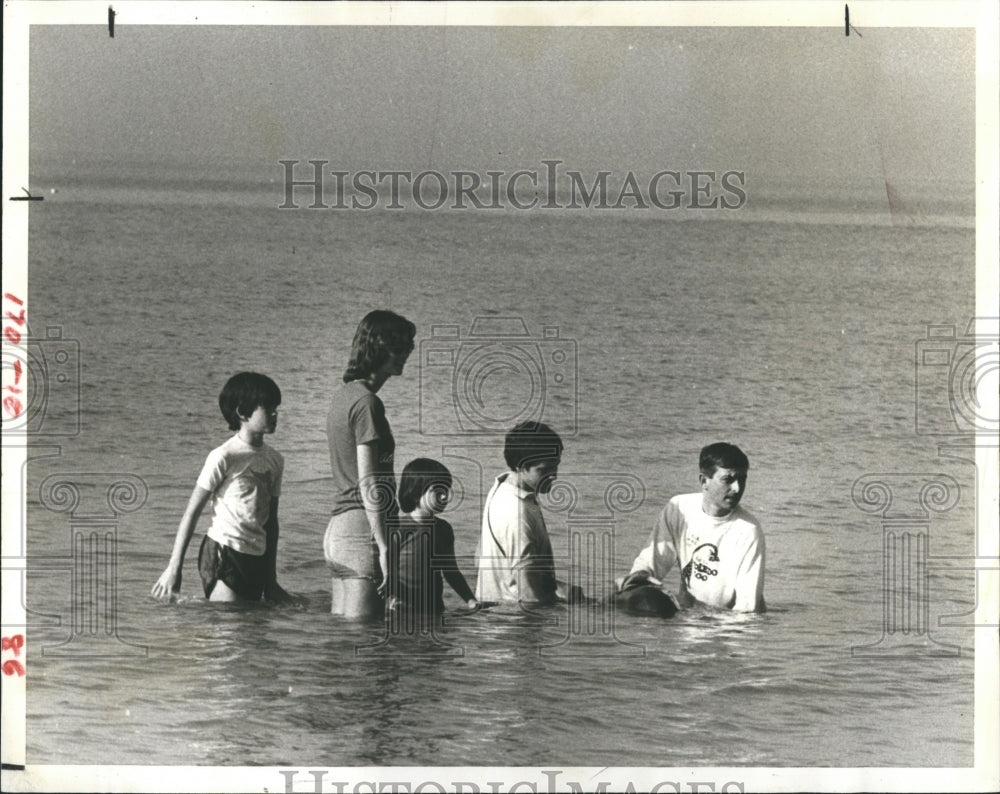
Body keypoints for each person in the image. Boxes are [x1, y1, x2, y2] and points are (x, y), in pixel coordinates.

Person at [152, 372, 291, 603]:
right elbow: (192, 513)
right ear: (242, 412)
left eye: (276, 407)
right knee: (227, 620)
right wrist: (173, 569)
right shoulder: (224, 456)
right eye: (268, 407)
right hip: (223, 552)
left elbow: (271, 522)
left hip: (256, 556)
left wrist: (271, 579)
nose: (275, 413)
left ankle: (188, 608)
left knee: (252, 623)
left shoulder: (275, 460)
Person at [325, 310, 416, 618]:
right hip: (362, 530)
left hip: (340, 530)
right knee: (367, 640)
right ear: (377, 347)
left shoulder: (344, 396)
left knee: (344, 638)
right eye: (398, 346)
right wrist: (385, 547)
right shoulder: (367, 403)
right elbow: (369, 482)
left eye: (407, 346)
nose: (405, 353)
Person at [621, 442, 765, 613]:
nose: (737, 488)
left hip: (725, 619)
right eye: (728, 480)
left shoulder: (748, 530)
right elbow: (651, 564)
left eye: (742, 479)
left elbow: (747, 609)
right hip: (689, 615)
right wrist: (638, 579)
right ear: (704, 481)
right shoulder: (679, 508)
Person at [475, 421, 582, 606]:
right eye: (544, 469)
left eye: (555, 466)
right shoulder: (517, 515)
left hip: (494, 613)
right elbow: (529, 597)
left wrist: (557, 587)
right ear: (521, 467)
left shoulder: (501, 488)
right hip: (513, 618)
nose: (554, 475)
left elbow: (479, 558)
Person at [388, 458, 478, 620]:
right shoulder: (398, 528)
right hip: (401, 608)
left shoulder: (444, 529)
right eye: (437, 490)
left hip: (435, 608)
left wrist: (470, 600)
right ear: (415, 491)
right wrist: (391, 597)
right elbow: (387, 571)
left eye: (446, 490)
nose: (444, 496)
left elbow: (451, 571)